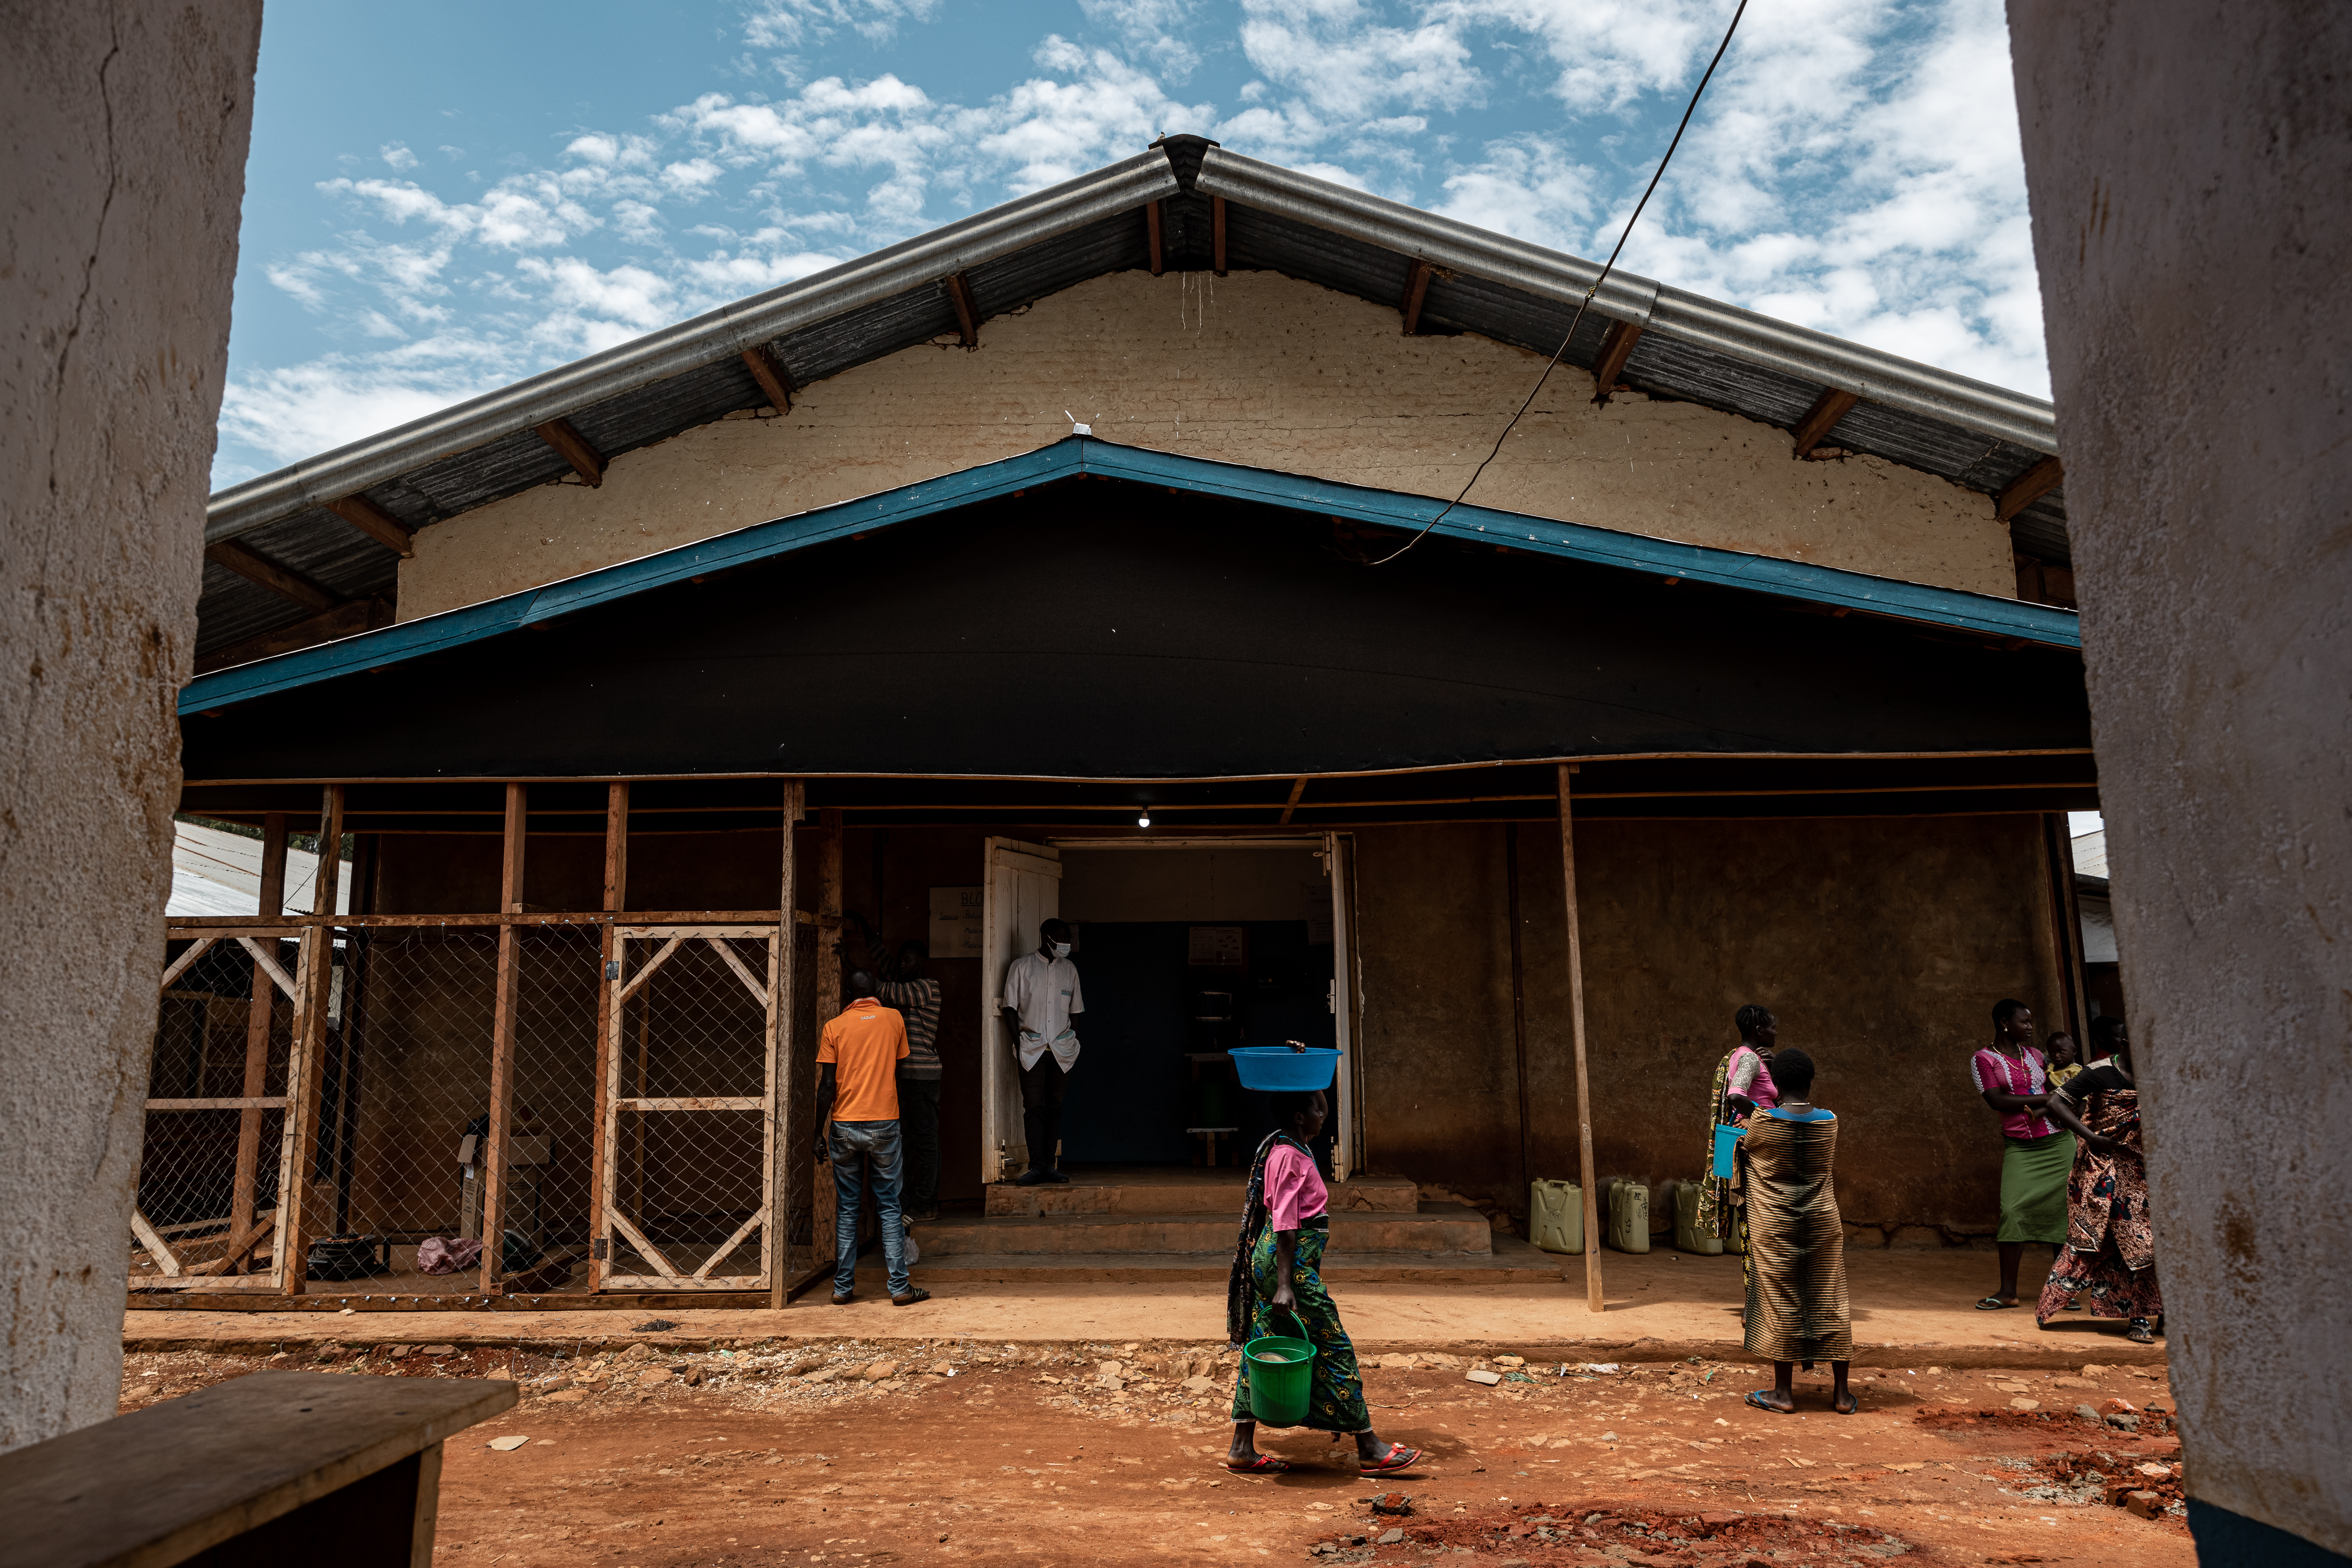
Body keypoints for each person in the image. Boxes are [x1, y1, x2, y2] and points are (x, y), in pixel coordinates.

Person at [1224, 1088, 1422, 1476]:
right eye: (1318, 1108)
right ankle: (1369, 1447)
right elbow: (1284, 1224)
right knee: (1332, 1345)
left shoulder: (1291, 1148)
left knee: (1263, 1341)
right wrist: (1286, 1284)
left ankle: (1241, 1447)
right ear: (1299, 1116)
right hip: (1288, 1265)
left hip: (1285, 1263)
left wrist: (1303, 1067)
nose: (1323, 1115)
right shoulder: (1286, 1157)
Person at [1735, 1048, 1854, 1415]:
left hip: (1776, 1226)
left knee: (1781, 1300)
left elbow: (1746, 1151)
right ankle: (1841, 1394)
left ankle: (1783, 1393)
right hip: (1821, 1222)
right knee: (1829, 1298)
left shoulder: (1762, 1122)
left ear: (1776, 1084)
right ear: (1809, 1081)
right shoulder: (1829, 1121)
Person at [2036, 1016, 2162, 1342]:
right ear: (2125, 1045)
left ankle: (2161, 1313)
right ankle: (2139, 1320)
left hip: (2149, 1170)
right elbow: (2055, 1102)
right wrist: (2091, 1137)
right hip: (2108, 1168)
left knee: (2154, 1243)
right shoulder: (2101, 1071)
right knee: (2133, 1240)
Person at [814, 971, 928, 1307]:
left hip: (845, 1125)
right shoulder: (893, 1019)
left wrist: (817, 1133)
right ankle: (900, 1289)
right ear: (877, 990)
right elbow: (901, 1069)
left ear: (848, 994)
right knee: (890, 1207)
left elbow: (826, 1087)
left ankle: (842, 1288)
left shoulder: (834, 1026)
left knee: (848, 1208)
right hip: (884, 1123)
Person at [1969, 999, 2075, 1310]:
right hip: (2020, 1146)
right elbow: (1996, 1100)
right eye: (2024, 1022)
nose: (2030, 1027)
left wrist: (2056, 1100)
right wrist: (2052, 1098)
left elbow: (2064, 1083)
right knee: (2012, 1211)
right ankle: (2008, 1292)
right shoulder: (1982, 1059)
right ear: (2004, 1022)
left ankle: (2062, 1291)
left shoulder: (2038, 1056)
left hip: (2058, 1142)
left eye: (2031, 1022)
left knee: (2063, 1213)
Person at [850, 915, 944, 1222]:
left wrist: (855, 972)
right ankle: (913, 1202)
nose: (901, 964)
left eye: (908, 960)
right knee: (908, 1142)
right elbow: (883, 963)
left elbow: (885, 989)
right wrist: (864, 929)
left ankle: (927, 1203)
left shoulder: (927, 988)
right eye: (901, 960)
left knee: (925, 1143)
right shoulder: (904, 980)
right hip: (906, 1078)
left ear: (921, 963)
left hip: (923, 1077)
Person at [1001, 918, 1084, 1187]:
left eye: (1069, 937)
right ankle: (1036, 1166)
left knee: (1054, 1107)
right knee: (1033, 1107)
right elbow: (1010, 1008)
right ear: (1047, 937)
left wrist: (1072, 1041)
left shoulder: (1069, 970)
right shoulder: (1022, 967)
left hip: (1061, 1050)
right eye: (1063, 937)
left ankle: (1050, 1165)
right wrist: (1020, 1042)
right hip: (1033, 1049)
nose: (1067, 943)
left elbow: (1076, 1011)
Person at [1698, 1004, 1778, 1246]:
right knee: (1757, 1212)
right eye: (1772, 1028)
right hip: (1756, 1140)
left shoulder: (1743, 1056)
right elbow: (1735, 1095)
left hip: (1754, 1135)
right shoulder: (1749, 1059)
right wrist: (1763, 1117)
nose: (1775, 1033)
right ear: (1758, 1030)